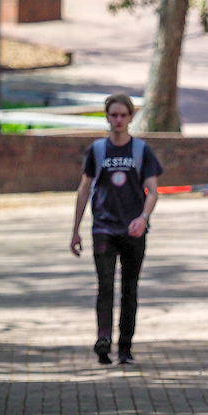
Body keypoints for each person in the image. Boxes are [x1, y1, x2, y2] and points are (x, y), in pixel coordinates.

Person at [70, 93, 163, 366]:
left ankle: (125, 347)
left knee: (129, 290)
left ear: (131, 117)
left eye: (124, 115)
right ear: (107, 117)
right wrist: (75, 230)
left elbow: (153, 192)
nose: (118, 120)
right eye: (114, 115)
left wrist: (143, 217)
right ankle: (102, 340)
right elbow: (84, 188)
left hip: (133, 230)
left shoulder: (142, 151)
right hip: (104, 228)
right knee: (105, 286)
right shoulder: (97, 151)